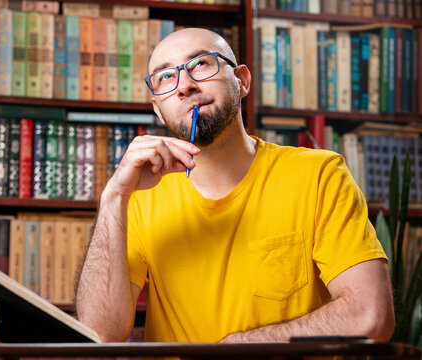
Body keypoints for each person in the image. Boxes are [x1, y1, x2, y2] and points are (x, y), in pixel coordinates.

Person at [75, 28, 395, 343]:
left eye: (201, 63)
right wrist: (114, 196)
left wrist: (241, 346)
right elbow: (102, 333)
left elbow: (371, 316)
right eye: (166, 78)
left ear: (242, 80)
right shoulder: (137, 199)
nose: (184, 85)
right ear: (158, 108)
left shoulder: (320, 175)